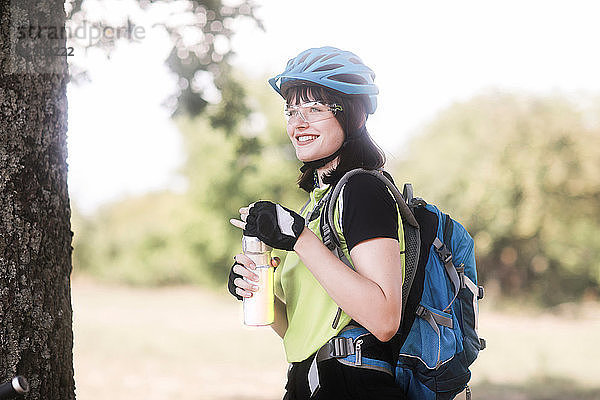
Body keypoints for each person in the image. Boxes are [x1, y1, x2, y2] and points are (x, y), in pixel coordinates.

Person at [228, 46, 407, 400]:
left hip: (354, 385)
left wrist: (299, 239)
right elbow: (302, 332)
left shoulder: (362, 190)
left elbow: (385, 320)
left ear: (352, 116)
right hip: (310, 380)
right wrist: (253, 290)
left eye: (314, 109)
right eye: (291, 111)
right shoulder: (316, 204)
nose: (297, 123)